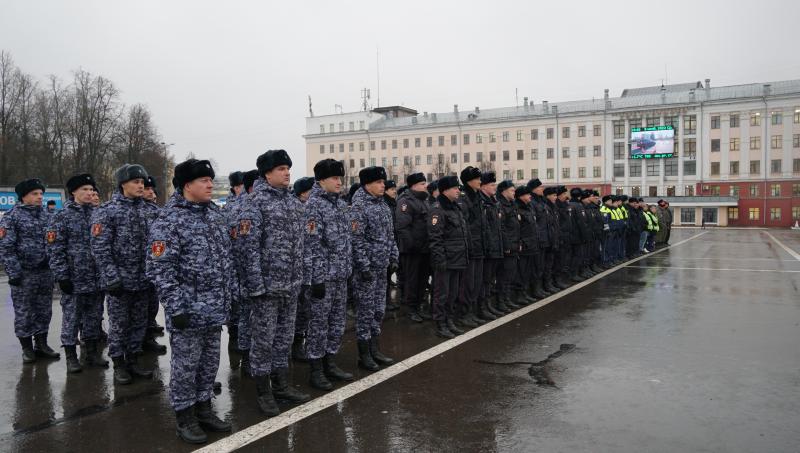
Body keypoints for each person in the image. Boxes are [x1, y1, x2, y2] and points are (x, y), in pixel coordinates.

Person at [147, 158, 233, 444]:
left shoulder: (215, 215)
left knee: (209, 364)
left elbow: (225, 261)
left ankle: (204, 408)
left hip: (214, 308)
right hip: (187, 310)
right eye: (204, 181)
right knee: (186, 366)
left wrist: (228, 298)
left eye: (210, 180)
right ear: (187, 186)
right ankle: (184, 416)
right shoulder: (169, 220)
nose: (210, 185)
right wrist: (176, 307)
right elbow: (160, 269)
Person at [237, 149, 310, 417]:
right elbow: (247, 249)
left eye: (288, 167)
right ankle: (263, 392)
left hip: (290, 286)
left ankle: (281, 386)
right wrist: (256, 287)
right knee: (263, 342)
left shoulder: (293, 204)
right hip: (266, 289)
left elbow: (302, 246)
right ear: (266, 174)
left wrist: (302, 278)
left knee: (284, 339)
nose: (287, 172)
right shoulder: (254, 204)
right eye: (280, 168)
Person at [90, 164, 154, 384]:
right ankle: (119, 364)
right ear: (123, 184)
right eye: (136, 182)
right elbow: (100, 248)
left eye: (142, 182)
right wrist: (111, 277)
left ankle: (134, 361)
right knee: (119, 325)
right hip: (120, 282)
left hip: (143, 280)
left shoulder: (149, 210)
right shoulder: (107, 211)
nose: (140, 185)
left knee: (139, 323)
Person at [47, 173, 108, 373]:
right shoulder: (61, 216)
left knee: (93, 317)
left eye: (92, 190)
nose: (90, 193)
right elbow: (55, 249)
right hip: (74, 278)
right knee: (72, 319)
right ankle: (71, 356)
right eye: (85, 190)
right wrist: (62, 276)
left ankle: (91, 354)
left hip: (96, 277)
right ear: (74, 192)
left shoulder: (99, 214)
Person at [302, 159, 355, 390]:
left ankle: (330, 362)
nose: (338, 182)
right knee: (318, 324)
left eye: (340, 178)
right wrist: (316, 278)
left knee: (336, 322)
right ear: (321, 180)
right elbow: (310, 246)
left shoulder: (341, 204)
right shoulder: (314, 206)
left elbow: (346, 240)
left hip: (340, 274)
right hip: (323, 278)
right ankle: (316, 369)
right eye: (334, 178)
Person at [0, 178, 60, 364]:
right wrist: (14, 272)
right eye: (35, 194)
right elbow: (5, 247)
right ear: (23, 196)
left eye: (41, 194)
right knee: (25, 312)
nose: (39, 197)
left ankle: (41, 344)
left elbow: (55, 242)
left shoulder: (48, 215)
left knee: (44, 310)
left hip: (45, 272)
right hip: (24, 273)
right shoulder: (12, 216)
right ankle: (27, 348)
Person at [349, 166, 399, 371]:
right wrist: (364, 266)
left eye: (383, 182)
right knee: (365, 312)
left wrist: (394, 257)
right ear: (367, 184)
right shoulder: (358, 208)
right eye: (378, 182)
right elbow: (356, 240)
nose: (383, 186)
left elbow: (390, 236)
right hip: (367, 271)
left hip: (382, 268)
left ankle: (375, 349)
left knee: (379, 310)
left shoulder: (383, 206)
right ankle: (364, 355)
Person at [427, 175, 469, 338]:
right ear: (445, 190)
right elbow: (435, 238)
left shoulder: (455, 207)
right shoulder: (437, 209)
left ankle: (449, 319)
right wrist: (440, 261)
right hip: (445, 260)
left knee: (453, 293)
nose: (458, 191)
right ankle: (440, 323)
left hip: (457, 258)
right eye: (455, 188)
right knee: (441, 294)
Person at [395, 173, 432, 323]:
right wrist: (413, 246)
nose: (425, 186)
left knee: (422, 280)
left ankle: (418, 307)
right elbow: (403, 227)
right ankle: (411, 310)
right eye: (422, 183)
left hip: (424, 248)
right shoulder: (405, 201)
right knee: (412, 280)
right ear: (414, 185)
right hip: (412, 250)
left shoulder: (423, 200)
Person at [458, 167, 491, 325]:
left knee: (477, 281)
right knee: (468, 283)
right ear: (469, 181)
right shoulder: (464, 198)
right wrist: (470, 245)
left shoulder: (477, 196)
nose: (480, 181)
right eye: (477, 179)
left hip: (480, 245)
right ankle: (465, 313)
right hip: (471, 247)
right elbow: (465, 225)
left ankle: (475, 309)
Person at [290, 175, 315, 362]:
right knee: (298, 312)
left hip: (310, 269)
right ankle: (295, 346)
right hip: (295, 272)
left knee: (306, 310)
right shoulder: (296, 209)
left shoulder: (308, 209)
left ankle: (300, 342)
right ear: (303, 193)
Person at [142, 175, 167, 354]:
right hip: (132, 272)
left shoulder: (156, 211)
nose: (150, 192)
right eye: (146, 189)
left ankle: (148, 337)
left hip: (152, 268)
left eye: (152, 189)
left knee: (151, 306)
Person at [479, 172, 506, 315]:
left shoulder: (493, 202)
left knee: (490, 279)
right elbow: (486, 229)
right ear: (483, 186)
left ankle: (487, 304)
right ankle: (483, 306)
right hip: (488, 248)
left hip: (496, 247)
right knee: (485, 279)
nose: (494, 187)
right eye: (492, 184)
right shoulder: (483, 203)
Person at [496, 180, 522, 309]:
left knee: (510, 275)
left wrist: (519, 242)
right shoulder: (500, 205)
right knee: (504, 276)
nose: (514, 192)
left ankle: (506, 299)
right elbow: (502, 228)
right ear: (504, 191)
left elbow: (516, 227)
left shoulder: (512, 204)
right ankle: (501, 301)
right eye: (512, 190)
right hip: (508, 247)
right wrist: (507, 246)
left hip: (515, 244)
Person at [514, 184, 540, 304]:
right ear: (521, 196)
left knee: (528, 271)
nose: (530, 196)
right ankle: (519, 295)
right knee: (521, 271)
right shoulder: (517, 209)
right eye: (527, 194)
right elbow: (517, 229)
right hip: (523, 246)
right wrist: (520, 242)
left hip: (531, 245)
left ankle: (524, 293)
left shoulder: (529, 207)